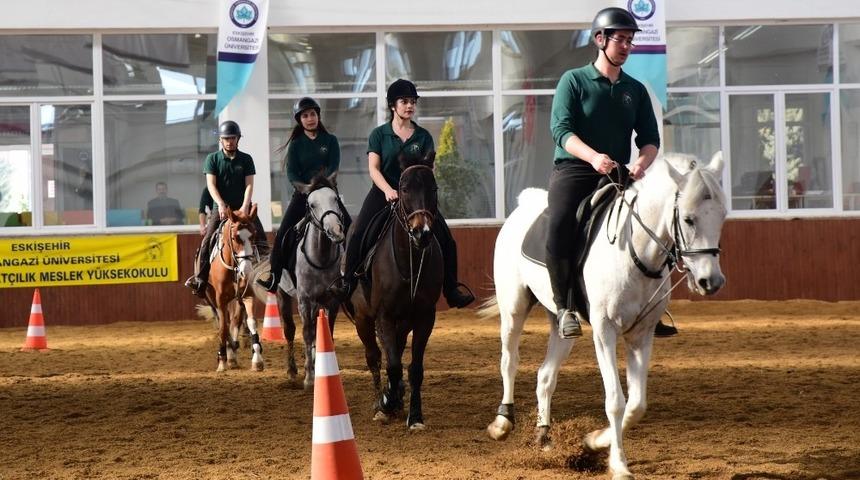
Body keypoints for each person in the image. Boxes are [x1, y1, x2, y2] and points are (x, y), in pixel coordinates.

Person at [547, 7, 676, 338]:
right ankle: (565, 308)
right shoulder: (573, 81)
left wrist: (640, 164)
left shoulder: (635, 89)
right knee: (560, 224)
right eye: (621, 39)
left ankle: (651, 306)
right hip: (575, 170)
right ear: (600, 39)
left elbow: (650, 140)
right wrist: (592, 158)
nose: (627, 47)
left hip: (618, 174)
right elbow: (561, 131)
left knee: (651, 226)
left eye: (631, 41)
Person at [329, 78, 474, 308]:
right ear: (392, 105)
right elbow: (373, 169)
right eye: (404, 101)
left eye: (413, 102)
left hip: (415, 198)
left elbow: (428, 170)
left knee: (447, 238)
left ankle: (451, 288)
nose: (409, 106)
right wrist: (388, 190)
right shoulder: (379, 135)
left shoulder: (423, 136)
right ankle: (347, 283)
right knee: (358, 234)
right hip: (384, 193)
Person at [256, 97, 352, 293]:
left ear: (318, 116)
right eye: (305, 115)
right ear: (300, 120)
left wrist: (324, 185)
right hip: (303, 195)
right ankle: (274, 277)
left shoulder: (330, 140)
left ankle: (352, 277)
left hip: (327, 193)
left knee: (351, 228)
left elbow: (334, 168)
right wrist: (306, 188)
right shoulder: (296, 144)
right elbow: (292, 174)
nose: (310, 119)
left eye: (313, 114)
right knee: (283, 233)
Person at [184, 120, 269, 297]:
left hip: (243, 207)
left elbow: (249, 185)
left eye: (233, 137)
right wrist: (221, 204)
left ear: (238, 139)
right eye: (226, 138)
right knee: (207, 241)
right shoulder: (212, 159)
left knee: (261, 238)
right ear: (220, 140)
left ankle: (268, 277)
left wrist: (246, 206)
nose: (230, 141)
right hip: (220, 208)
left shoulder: (246, 159)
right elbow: (211, 185)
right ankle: (199, 279)